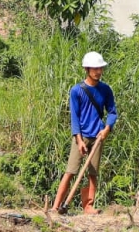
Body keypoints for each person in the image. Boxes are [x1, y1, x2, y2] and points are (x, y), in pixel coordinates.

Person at [50, 51, 117, 215]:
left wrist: (107, 128)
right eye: (95, 69)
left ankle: (88, 206)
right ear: (87, 69)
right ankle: (55, 206)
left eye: (100, 68)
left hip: (98, 136)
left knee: (93, 173)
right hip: (81, 136)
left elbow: (113, 112)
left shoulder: (105, 90)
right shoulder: (76, 91)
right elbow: (75, 118)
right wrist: (79, 141)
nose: (99, 72)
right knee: (71, 171)